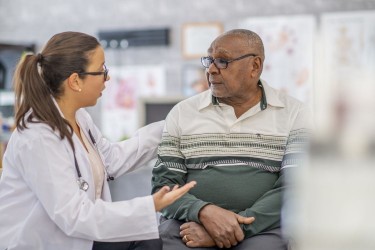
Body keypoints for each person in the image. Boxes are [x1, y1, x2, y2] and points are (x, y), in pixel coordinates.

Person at [0, 31, 196, 250]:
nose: (107, 77)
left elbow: (110, 159)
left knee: (152, 240)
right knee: (149, 241)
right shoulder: (38, 137)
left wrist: (171, 128)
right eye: (102, 70)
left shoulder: (79, 118)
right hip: (42, 243)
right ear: (75, 81)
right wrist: (148, 206)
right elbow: (74, 215)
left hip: (75, 237)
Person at [151, 29, 310, 249]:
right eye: (209, 60)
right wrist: (204, 212)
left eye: (223, 61)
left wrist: (236, 228)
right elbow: (164, 187)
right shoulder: (183, 112)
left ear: (254, 66)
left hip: (262, 229)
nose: (212, 70)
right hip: (189, 226)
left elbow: (294, 186)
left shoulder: (294, 113)